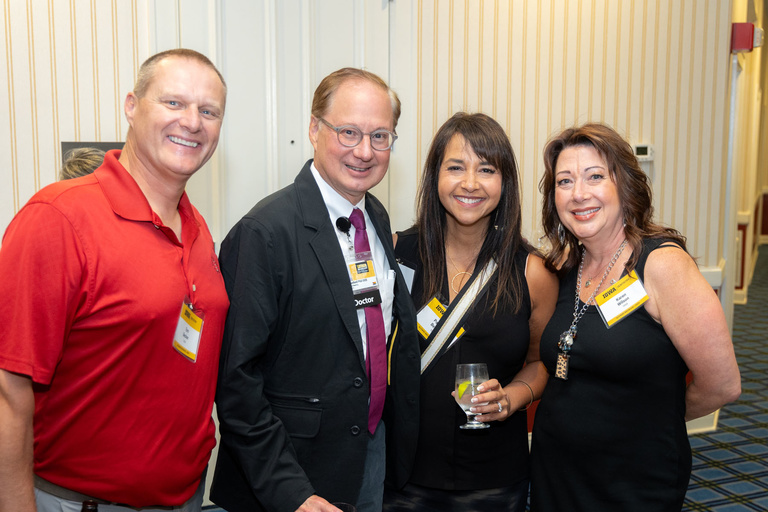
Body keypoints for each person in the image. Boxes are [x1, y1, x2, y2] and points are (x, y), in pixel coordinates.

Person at [0, 48, 230, 512]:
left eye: (209, 111)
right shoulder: (59, 217)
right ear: (131, 105)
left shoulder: (198, 229)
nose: (192, 122)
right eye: (173, 103)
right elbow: (8, 389)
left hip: (185, 498)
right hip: (82, 503)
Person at [210, 68, 420, 512]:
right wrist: (293, 494)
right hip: (291, 477)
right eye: (349, 132)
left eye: (380, 136)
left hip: (368, 454)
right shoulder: (265, 233)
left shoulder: (374, 217)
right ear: (313, 128)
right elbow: (236, 383)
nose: (365, 151)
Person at [529, 122, 742, 511]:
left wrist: (652, 418)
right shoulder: (565, 266)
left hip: (631, 479)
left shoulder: (662, 265)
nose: (579, 194)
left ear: (623, 187)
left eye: (595, 176)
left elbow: (722, 384)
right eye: (564, 181)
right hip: (556, 472)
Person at [382, 112, 558, 512]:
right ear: (435, 177)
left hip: (495, 476)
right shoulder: (396, 254)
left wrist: (512, 398)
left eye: (487, 169)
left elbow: (540, 362)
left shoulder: (533, 272)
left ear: (504, 183)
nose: (470, 183)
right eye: (456, 167)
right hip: (403, 474)